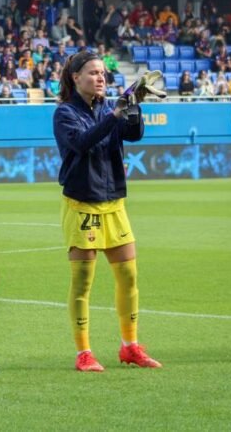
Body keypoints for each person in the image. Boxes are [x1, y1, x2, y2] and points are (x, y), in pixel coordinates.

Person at [53, 51, 159, 372]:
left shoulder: (109, 106)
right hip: (81, 203)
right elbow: (82, 143)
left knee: (129, 276)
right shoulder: (64, 113)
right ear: (76, 78)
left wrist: (134, 105)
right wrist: (115, 114)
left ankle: (130, 346)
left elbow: (134, 134)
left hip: (113, 202)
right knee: (83, 281)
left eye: (102, 73)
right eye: (93, 73)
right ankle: (83, 352)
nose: (100, 78)